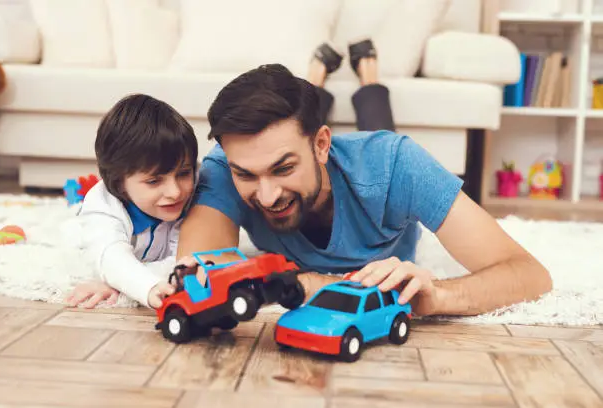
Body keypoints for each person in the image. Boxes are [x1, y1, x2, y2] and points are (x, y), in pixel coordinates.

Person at [177, 39, 553, 317]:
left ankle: (367, 71)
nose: (268, 194)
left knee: (378, 130)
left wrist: (437, 295)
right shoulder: (228, 165)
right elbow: (199, 274)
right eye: (246, 174)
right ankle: (315, 77)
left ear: (322, 144)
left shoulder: (394, 164)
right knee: (301, 128)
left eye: (283, 168)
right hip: (332, 157)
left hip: (366, 164)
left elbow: (529, 274)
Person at [65, 94, 199, 309]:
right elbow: (111, 258)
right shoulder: (104, 207)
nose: (175, 192)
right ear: (119, 184)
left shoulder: (194, 192)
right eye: (154, 181)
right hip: (87, 241)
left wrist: (121, 284)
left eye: (184, 173)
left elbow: (184, 260)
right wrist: (145, 285)